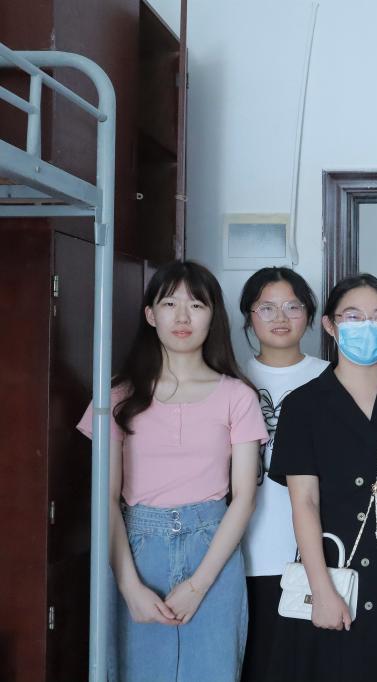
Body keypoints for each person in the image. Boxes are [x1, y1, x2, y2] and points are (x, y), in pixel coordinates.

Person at [77, 260, 267, 681]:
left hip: (212, 549)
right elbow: (105, 498)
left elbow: (243, 500)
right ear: (150, 315)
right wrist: (129, 586)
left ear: (212, 317)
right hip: (136, 552)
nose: (182, 317)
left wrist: (198, 585)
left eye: (196, 306)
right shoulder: (117, 395)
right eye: (169, 304)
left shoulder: (238, 396)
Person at [268, 273, 377, 682]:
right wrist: (321, 589)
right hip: (338, 573)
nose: (368, 326)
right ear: (330, 325)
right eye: (354, 317)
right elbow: (304, 502)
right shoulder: (303, 406)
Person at [237, 267, 329, 682]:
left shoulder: (332, 377)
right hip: (247, 553)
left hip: (320, 554)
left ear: (309, 315)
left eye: (293, 306)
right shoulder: (231, 378)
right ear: (249, 316)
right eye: (267, 307)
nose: (280, 317)